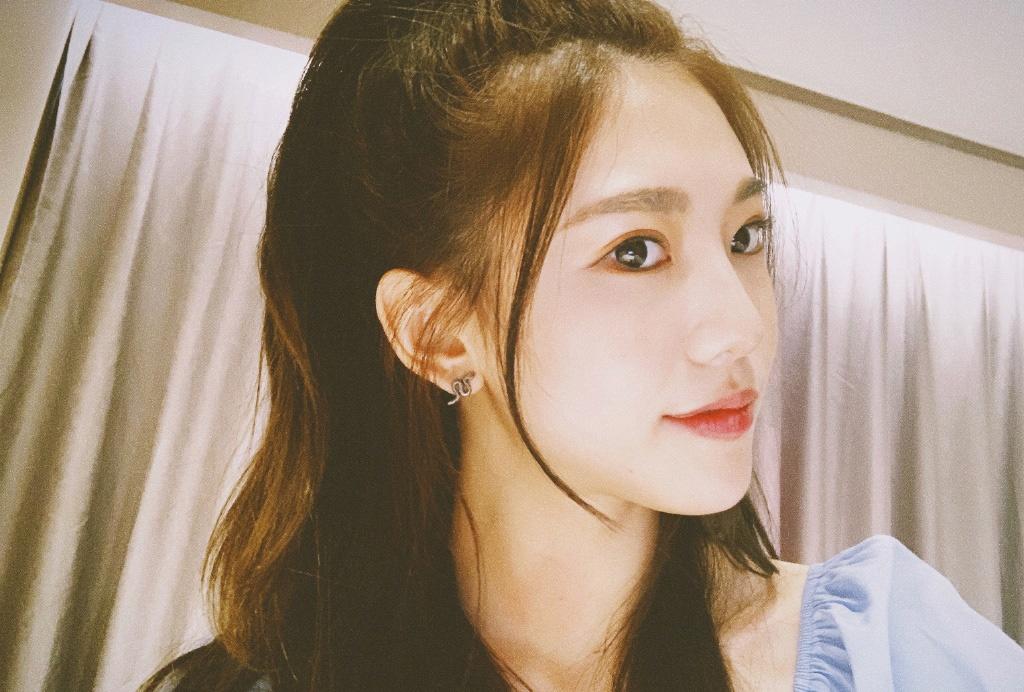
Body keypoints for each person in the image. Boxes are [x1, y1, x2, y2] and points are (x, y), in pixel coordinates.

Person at [143, 1, 1024, 690]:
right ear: (437, 332)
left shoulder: (889, 651)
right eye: (635, 251)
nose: (742, 325)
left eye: (745, 237)